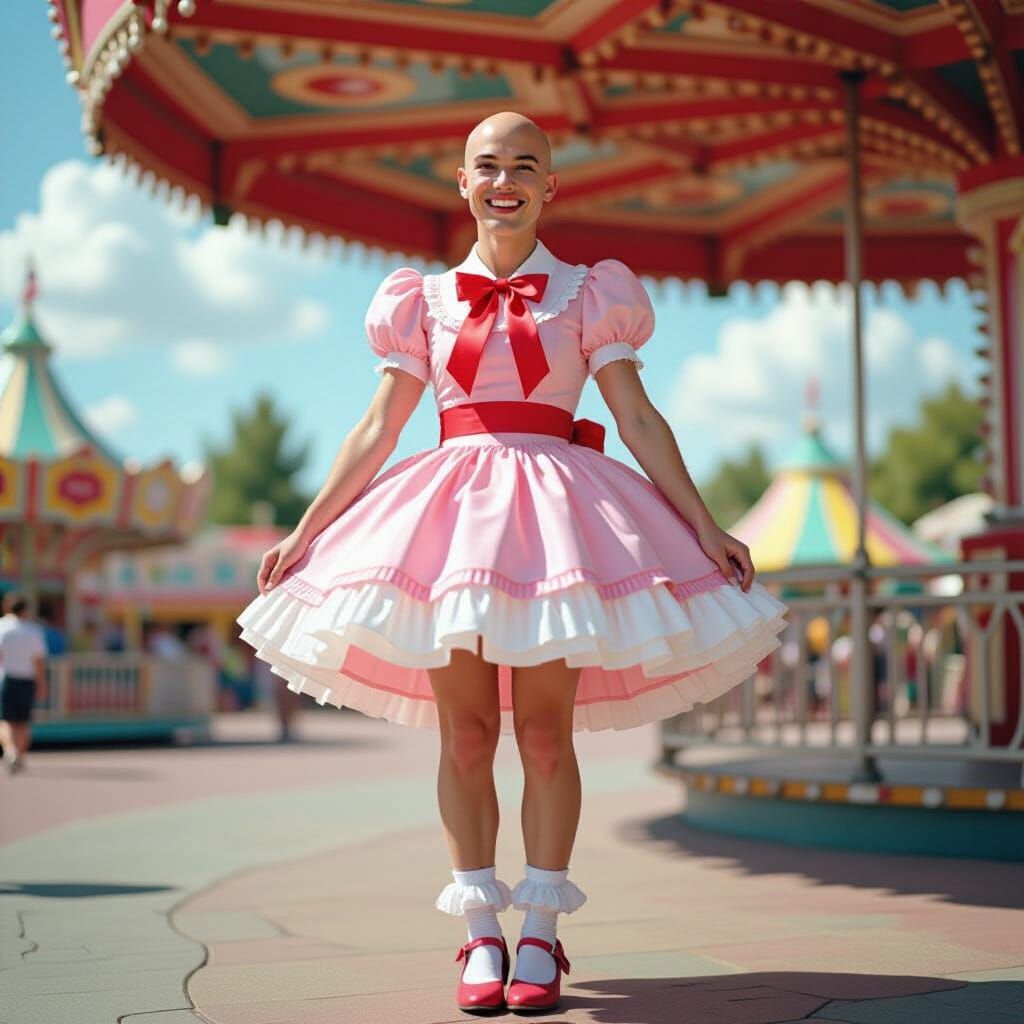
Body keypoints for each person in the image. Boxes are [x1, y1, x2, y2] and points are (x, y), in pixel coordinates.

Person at [237, 111, 789, 1014]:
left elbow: (637, 418)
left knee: (541, 734)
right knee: (465, 735)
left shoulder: (589, 292)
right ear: (462, 182)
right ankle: (479, 932)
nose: (505, 181)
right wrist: (305, 530)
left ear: (550, 186)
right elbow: (378, 428)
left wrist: (705, 522)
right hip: (452, 523)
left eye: (525, 166)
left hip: (558, 525)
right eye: (488, 165)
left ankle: (541, 931)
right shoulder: (420, 301)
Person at [0, 591, 49, 776]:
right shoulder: (33, 630)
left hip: (7, 678)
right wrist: (42, 682)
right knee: (23, 723)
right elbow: (38, 661)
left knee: (6, 721)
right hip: (27, 680)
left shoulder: (2, 627)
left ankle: (10, 751)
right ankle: (19, 755)